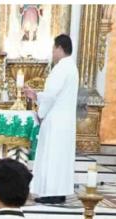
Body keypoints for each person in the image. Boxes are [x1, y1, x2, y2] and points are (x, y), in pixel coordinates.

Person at [23, 34, 77, 205]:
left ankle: (51, 192)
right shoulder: (72, 68)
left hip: (55, 120)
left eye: (53, 49)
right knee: (60, 157)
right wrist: (37, 95)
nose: (52, 53)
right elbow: (53, 95)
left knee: (52, 156)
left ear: (60, 48)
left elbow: (51, 96)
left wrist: (40, 112)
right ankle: (59, 191)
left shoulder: (60, 68)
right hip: (65, 120)